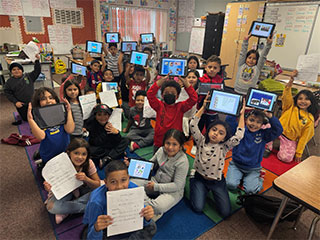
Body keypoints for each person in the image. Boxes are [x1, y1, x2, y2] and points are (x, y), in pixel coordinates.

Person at [189, 96, 245, 218]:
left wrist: (242, 115)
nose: (216, 134)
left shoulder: (224, 146)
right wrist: (203, 107)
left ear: (224, 138)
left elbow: (239, 135)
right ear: (209, 131)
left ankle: (208, 190)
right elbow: (193, 124)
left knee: (225, 213)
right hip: (199, 178)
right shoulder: (201, 141)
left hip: (216, 181)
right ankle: (194, 180)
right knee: (197, 208)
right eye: (214, 130)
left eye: (221, 133)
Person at [83, 160, 157, 240]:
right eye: (113, 182)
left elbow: (142, 217)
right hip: (106, 229)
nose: (119, 186)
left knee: (152, 226)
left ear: (128, 179)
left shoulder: (134, 189)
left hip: (128, 224)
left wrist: (147, 216)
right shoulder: (96, 201)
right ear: (106, 182)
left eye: (123, 180)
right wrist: (96, 228)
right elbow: (91, 235)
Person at [132, 129, 189, 217]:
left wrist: (156, 187)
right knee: (131, 183)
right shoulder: (161, 150)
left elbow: (178, 185)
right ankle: (146, 206)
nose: (170, 147)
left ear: (180, 146)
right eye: (168, 143)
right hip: (155, 182)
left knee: (159, 207)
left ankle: (143, 204)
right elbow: (150, 164)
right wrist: (132, 165)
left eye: (174, 144)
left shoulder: (183, 161)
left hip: (172, 191)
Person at [44, 138, 100, 224]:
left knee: (101, 192)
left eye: (84, 154)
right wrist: (49, 189)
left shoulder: (89, 163)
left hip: (83, 189)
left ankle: (66, 210)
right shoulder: (60, 163)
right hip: (66, 192)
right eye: (76, 153)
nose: (80, 157)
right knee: (52, 207)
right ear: (69, 152)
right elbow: (55, 186)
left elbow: (97, 184)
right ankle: (90, 207)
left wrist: (86, 179)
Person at [225, 109, 282, 194]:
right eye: (251, 120)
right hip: (236, 165)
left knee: (251, 191)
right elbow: (229, 120)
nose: (254, 124)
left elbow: (278, 130)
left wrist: (271, 117)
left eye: (258, 122)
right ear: (246, 119)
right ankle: (241, 177)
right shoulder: (239, 131)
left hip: (253, 169)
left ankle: (259, 178)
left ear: (262, 124)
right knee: (230, 185)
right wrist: (244, 109)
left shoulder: (264, 135)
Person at [269, 70, 318, 163]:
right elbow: (287, 94)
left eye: (307, 99)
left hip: (289, 138)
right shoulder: (290, 106)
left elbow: (304, 137)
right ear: (296, 100)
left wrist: (299, 153)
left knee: (286, 158)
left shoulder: (309, 119)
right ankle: (269, 144)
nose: (303, 101)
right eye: (300, 98)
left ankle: (281, 147)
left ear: (311, 102)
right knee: (263, 126)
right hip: (276, 130)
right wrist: (291, 79)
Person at [147, 75, 198, 153]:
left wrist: (185, 82)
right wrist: (161, 80)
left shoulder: (181, 107)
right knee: (157, 163)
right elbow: (150, 94)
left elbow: (194, 98)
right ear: (162, 95)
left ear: (177, 96)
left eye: (172, 93)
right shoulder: (159, 106)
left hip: (176, 142)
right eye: (167, 93)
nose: (169, 94)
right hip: (159, 142)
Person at [27, 87, 75, 165]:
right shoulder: (38, 118)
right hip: (48, 154)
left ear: (56, 100)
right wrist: (30, 120)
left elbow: (70, 130)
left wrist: (69, 111)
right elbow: (41, 136)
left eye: (51, 98)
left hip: (65, 151)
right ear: (38, 102)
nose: (48, 101)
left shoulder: (61, 113)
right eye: (43, 99)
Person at [84, 104, 129, 169]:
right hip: (100, 147)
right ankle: (115, 154)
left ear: (109, 115)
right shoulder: (93, 124)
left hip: (110, 145)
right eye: (99, 115)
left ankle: (108, 158)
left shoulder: (111, 123)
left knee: (126, 140)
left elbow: (118, 140)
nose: (103, 117)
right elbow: (96, 142)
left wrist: (116, 133)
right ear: (95, 116)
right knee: (90, 150)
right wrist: (105, 132)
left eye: (105, 114)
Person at [4, 54, 41, 124]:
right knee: (25, 119)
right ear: (11, 72)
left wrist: (37, 61)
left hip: (32, 102)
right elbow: (8, 93)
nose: (16, 71)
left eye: (18, 69)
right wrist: (15, 102)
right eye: (14, 70)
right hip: (21, 104)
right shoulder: (9, 82)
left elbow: (37, 71)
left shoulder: (29, 76)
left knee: (36, 116)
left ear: (22, 70)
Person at [198, 55, 223, 132]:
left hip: (213, 110)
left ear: (219, 69)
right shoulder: (200, 80)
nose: (212, 70)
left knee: (211, 128)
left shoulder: (220, 81)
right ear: (205, 67)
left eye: (215, 68)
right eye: (210, 67)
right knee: (198, 127)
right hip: (201, 108)